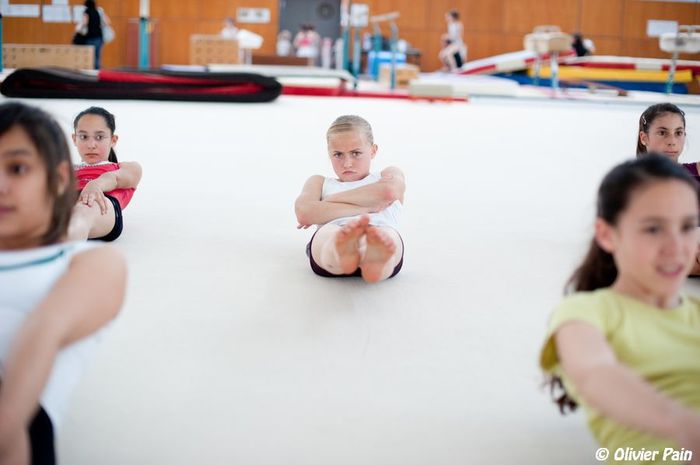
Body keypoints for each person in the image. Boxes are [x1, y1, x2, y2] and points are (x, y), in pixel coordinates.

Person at [540, 155, 700, 464]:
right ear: (606, 234)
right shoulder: (585, 313)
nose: (676, 245)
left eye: (688, 226)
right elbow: (596, 375)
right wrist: (683, 425)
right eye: (654, 228)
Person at [0, 102, 125, 465]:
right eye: (83, 136)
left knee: (82, 215)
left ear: (55, 180)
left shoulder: (91, 268)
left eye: (18, 168)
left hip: (96, 210)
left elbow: (42, 332)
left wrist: (96, 186)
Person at [295, 115, 405, 283]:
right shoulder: (318, 181)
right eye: (338, 154)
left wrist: (325, 205)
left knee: (386, 236)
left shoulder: (388, 174)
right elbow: (304, 213)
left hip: (378, 230)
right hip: (336, 232)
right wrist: (368, 206)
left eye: (356, 153)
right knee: (329, 234)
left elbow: (389, 192)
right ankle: (341, 252)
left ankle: (375, 260)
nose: (347, 163)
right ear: (329, 153)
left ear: (373, 150)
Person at [636, 103, 699, 275]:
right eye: (662, 132)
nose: (672, 141)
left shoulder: (694, 173)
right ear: (644, 138)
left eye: (678, 133)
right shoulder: (635, 183)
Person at [68, 107, 142, 242]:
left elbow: (115, 178)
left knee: (84, 209)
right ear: (74, 139)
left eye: (99, 137)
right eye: (84, 137)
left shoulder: (126, 167)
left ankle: (61, 254)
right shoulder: (65, 169)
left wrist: (95, 185)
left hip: (101, 207)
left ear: (113, 140)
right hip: (66, 206)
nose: (91, 145)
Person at [78, 0, 108, 69]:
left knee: (90, 56)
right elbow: (106, 23)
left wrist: (79, 29)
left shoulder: (87, 11)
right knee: (97, 56)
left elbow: (85, 23)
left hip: (91, 36)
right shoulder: (98, 11)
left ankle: (92, 71)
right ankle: (97, 71)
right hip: (99, 36)